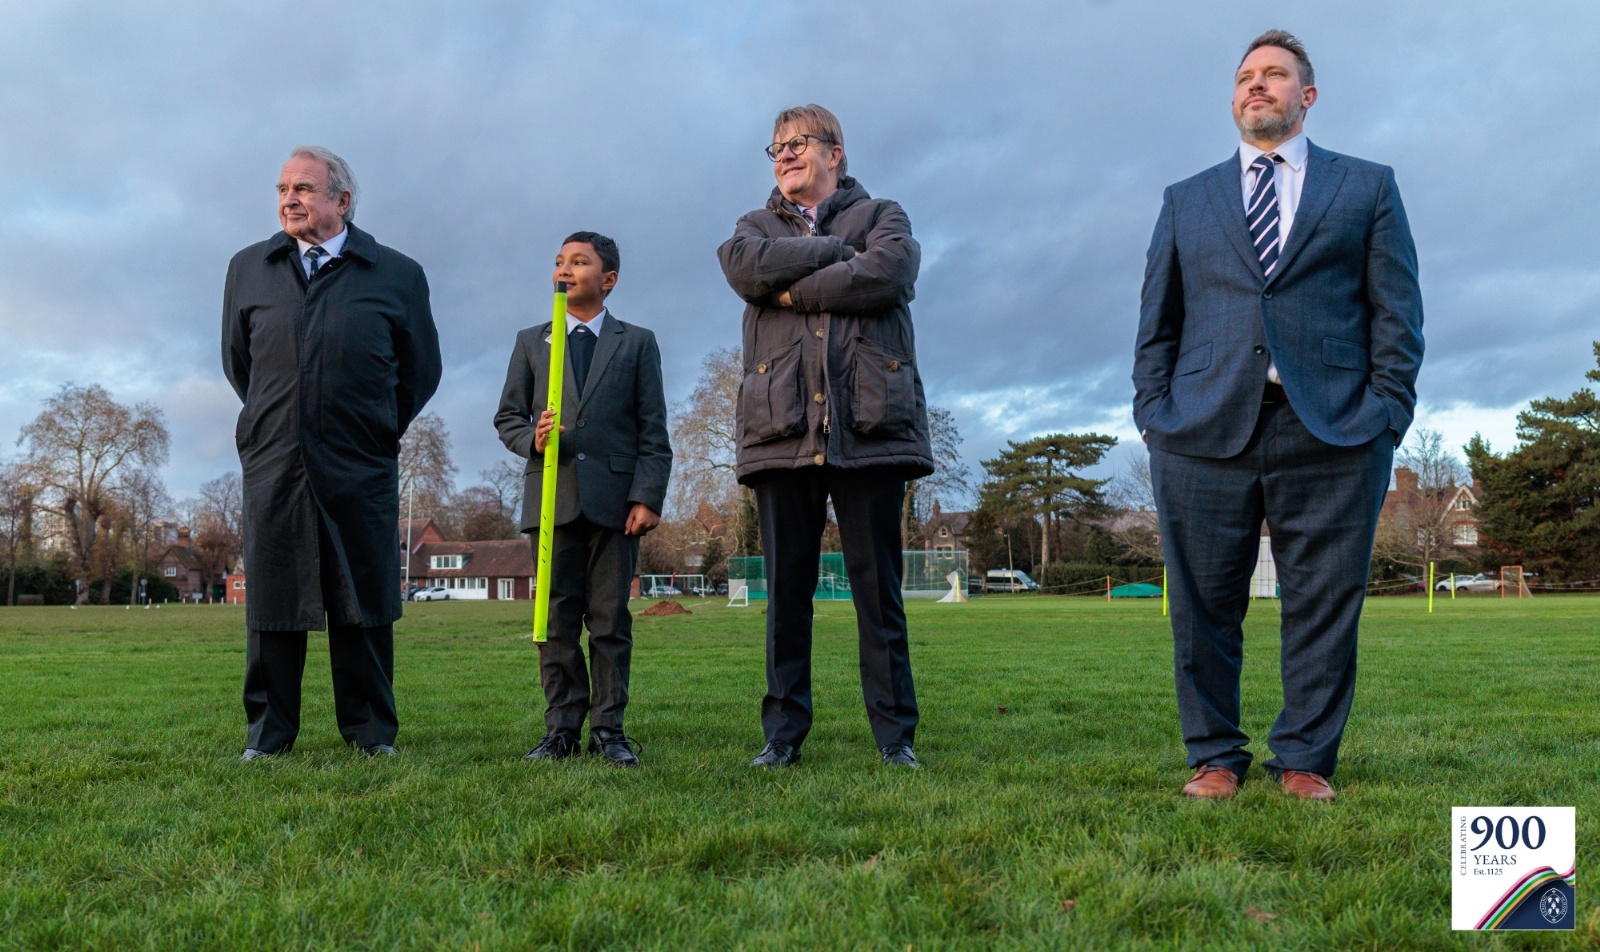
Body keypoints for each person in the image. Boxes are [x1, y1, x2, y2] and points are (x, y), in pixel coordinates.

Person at [1133, 31, 1424, 800]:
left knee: (1324, 605)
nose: (1256, 85)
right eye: (1245, 77)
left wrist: (1386, 415)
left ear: (1308, 95)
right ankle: (1214, 758)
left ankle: (1304, 760)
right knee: (1202, 607)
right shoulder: (1186, 199)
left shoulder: (1367, 187)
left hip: (1333, 429)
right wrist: (1154, 415)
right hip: (1200, 430)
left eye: (1275, 75)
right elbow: (1157, 322)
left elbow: (1397, 315)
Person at [718, 105, 933, 769]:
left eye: (798, 143)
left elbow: (890, 271)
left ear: (835, 153)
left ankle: (895, 739)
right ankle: (782, 736)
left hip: (870, 428)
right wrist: (837, 254)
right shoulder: (754, 228)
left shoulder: (883, 215)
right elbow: (743, 267)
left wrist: (793, 290)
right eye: (776, 147)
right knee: (786, 597)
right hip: (780, 431)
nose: (784, 155)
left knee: (878, 595)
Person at [223, 146, 441, 760]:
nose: (289, 199)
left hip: (359, 463)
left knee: (362, 595)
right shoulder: (248, 268)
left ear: (342, 201)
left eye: (304, 189)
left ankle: (370, 734)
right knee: (273, 599)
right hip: (275, 461)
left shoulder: (397, 274)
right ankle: (268, 738)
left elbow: (420, 371)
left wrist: (372, 428)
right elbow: (239, 364)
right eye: (283, 189)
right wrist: (277, 421)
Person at [495, 232, 671, 767]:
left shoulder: (636, 342)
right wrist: (533, 439)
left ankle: (609, 731)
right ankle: (561, 730)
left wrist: (647, 496)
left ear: (608, 278)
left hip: (616, 505)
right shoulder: (532, 341)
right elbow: (507, 417)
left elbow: (653, 430)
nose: (565, 270)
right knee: (555, 620)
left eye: (579, 262)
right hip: (551, 499)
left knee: (610, 619)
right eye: (559, 262)